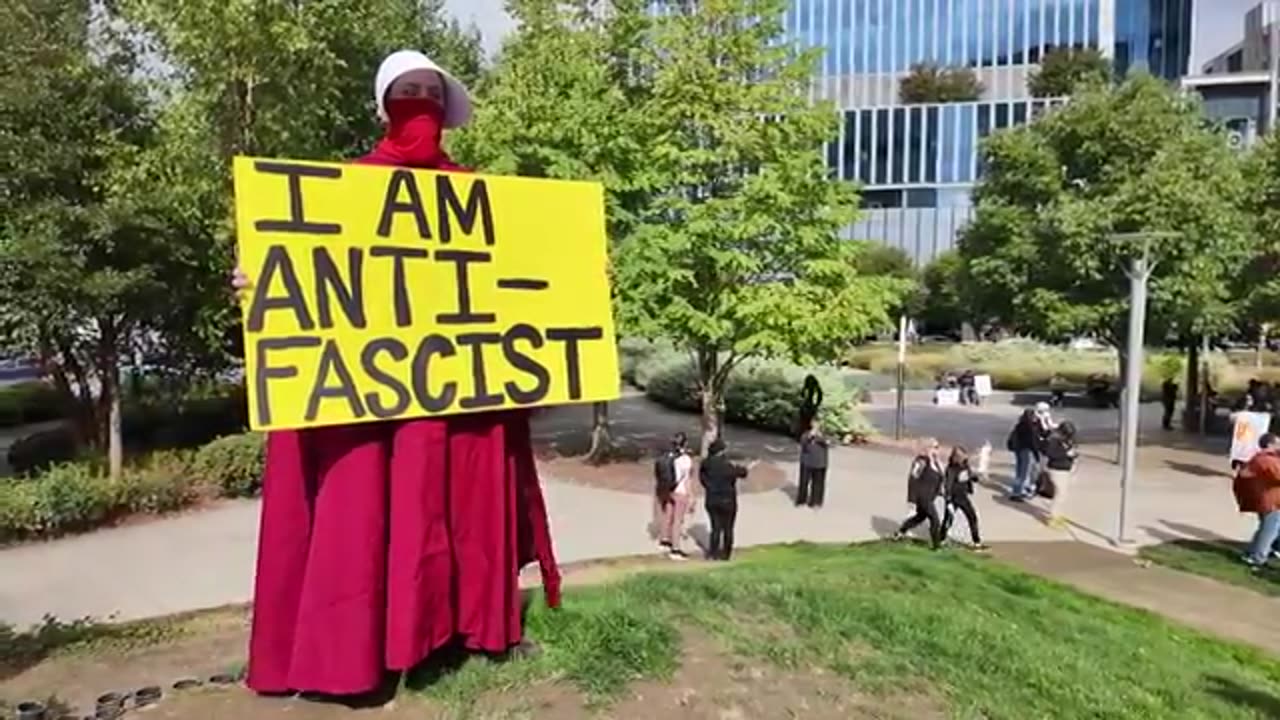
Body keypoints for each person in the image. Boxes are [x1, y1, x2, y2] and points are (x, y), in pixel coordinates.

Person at [234, 50, 561, 698]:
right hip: (371, 405)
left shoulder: (476, 195)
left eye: (430, 94)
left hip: (455, 396)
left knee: (460, 508)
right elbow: (308, 285)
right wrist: (257, 280)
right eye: (408, 92)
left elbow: (515, 282)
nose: (421, 105)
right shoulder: (341, 191)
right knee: (364, 511)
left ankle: (466, 631)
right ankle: (351, 657)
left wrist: (571, 283)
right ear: (385, 104)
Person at [1234, 433, 1280, 567]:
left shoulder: (1267, 459)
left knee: (1269, 528)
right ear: (1270, 445)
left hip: (1272, 500)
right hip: (1271, 502)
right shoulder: (1266, 459)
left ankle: (1253, 552)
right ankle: (1257, 557)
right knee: (1269, 530)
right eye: (1278, 443)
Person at [700, 439, 749, 561]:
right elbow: (742, 473)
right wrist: (743, 468)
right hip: (727, 500)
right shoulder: (726, 465)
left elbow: (703, 479)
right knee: (728, 528)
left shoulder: (706, 464)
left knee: (715, 527)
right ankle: (726, 553)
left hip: (712, 499)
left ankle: (713, 553)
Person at [894, 438, 945, 549]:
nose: (937, 450)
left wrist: (941, 492)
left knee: (920, 517)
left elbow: (939, 479)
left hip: (930, 496)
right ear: (928, 448)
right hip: (923, 496)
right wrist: (911, 499)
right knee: (935, 520)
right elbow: (913, 479)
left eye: (938, 447)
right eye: (935, 447)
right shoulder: (921, 461)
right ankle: (937, 546)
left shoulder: (936, 462)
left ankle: (901, 531)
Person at [654, 433, 693, 560]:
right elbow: (687, 479)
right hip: (680, 492)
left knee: (668, 515)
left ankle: (664, 540)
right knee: (678, 520)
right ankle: (675, 549)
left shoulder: (668, 457)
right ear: (685, 444)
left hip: (669, 490)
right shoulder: (685, 460)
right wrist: (691, 497)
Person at [942, 446, 986, 550]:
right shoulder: (951, 469)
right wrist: (948, 500)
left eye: (965, 455)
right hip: (953, 497)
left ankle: (977, 542)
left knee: (972, 517)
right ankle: (941, 539)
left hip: (963, 497)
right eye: (963, 456)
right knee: (948, 519)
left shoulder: (965, 466)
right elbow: (948, 484)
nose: (966, 457)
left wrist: (977, 478)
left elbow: (969, 476)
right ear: (957, 457)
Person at [1042, 421, 1079, 529]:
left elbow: (1069, 450)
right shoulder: (1053, 440)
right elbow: (1050, 454)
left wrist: (1073, 455)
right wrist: (1066, 454)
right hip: (1057, 469)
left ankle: (1057, 514)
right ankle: (1053, 517)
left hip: (1065, 469)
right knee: (1060, 494)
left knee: (1063, 494)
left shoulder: (1067, 440)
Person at [1006, 408, 1041, 500]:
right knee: (1025, 472)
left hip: (1018, 450)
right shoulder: (1030, 427)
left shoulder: (1019, 425)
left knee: (1019, 472)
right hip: (1027, 451)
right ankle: (1019, 492)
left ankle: (1017, 490)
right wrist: (1037, 455)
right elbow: (1033, 442)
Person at [796, 419, 829, 509]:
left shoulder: (824, 434)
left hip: (820, 462)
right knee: (804, 482)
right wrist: (810, 435)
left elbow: (828, 442)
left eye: (817, 424)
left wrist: (819, 437)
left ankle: (815, 502)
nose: (815, 426)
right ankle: (801, 501)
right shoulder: (806, 434)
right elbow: (803, 443)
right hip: (807, 461)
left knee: (818, 484)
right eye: (814, 424)